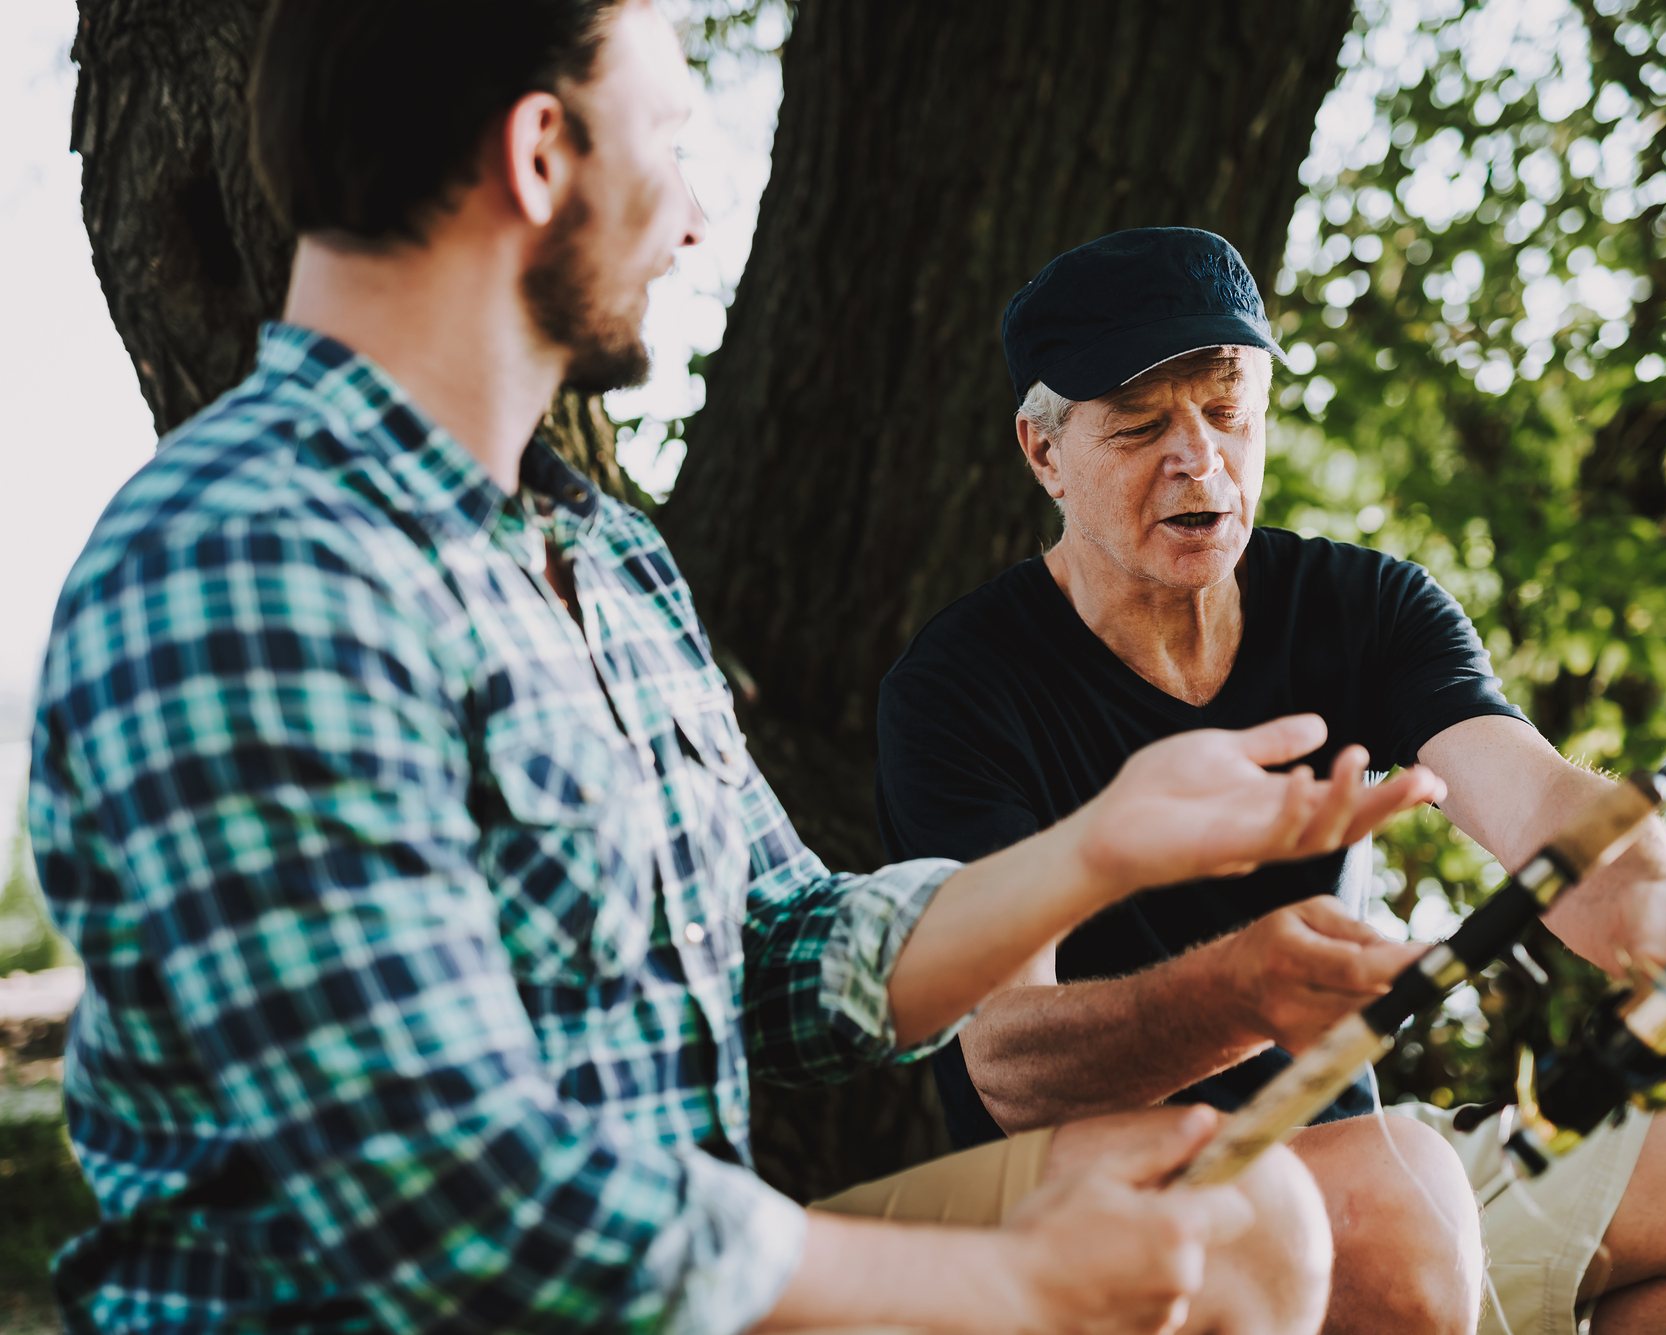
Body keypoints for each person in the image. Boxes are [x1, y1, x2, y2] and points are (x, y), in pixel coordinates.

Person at [24, 13, 1448, 1334]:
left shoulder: (609, 561)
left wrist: (1097, 845)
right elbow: (451, 1193)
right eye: (671, 143)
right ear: (539, 157)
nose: (698, 218)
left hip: (666, 1290)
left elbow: (783, 956)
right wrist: (1008, 1282)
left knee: (1229, 1222)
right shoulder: (254, 560)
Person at [874, 228, 1666, 1335]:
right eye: (1140, 425)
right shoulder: (955, 689)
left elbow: (1529, 797)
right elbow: (1008, 1062)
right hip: (1102, 1211)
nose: (1198, 460)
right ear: (1045, 453)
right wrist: (1239, 992)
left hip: (1377, 1177)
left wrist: (1650, 906)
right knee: (1399, 1206)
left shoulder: (1363, 604)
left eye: (1228, 408)